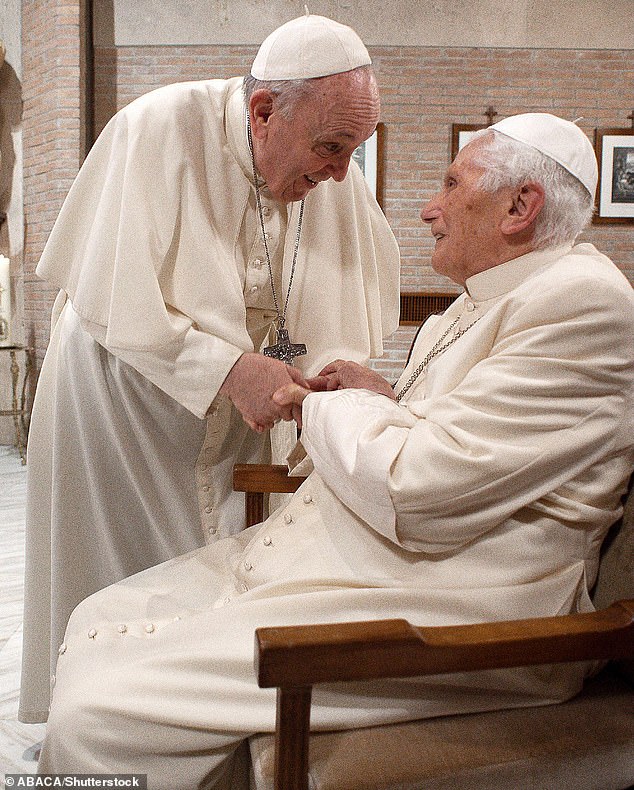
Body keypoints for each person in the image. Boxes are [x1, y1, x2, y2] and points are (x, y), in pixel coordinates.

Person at [38, 113, 634, 786]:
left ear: (521, 207)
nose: (428, 208)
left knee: (97, 716)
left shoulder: (580, 302)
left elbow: (417, 485)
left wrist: (314, 404)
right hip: (393, 565)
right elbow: (475, 445)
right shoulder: (511, 290)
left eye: (450, 183)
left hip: (462, 603)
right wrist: (383, 397)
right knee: (99, 614)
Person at [19, 14, 400, 724]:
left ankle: (182, 726)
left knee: (212, 578)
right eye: (330, 148)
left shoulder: (328, 171)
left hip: (235, 421)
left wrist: (331, 368)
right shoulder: (159, 129)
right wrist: (226, 366)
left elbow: (336, 303)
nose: (341, 174)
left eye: (355, 150)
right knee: (114, 571)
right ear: (263, 113)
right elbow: (116, 298)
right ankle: (97, 721)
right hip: (121, 404)